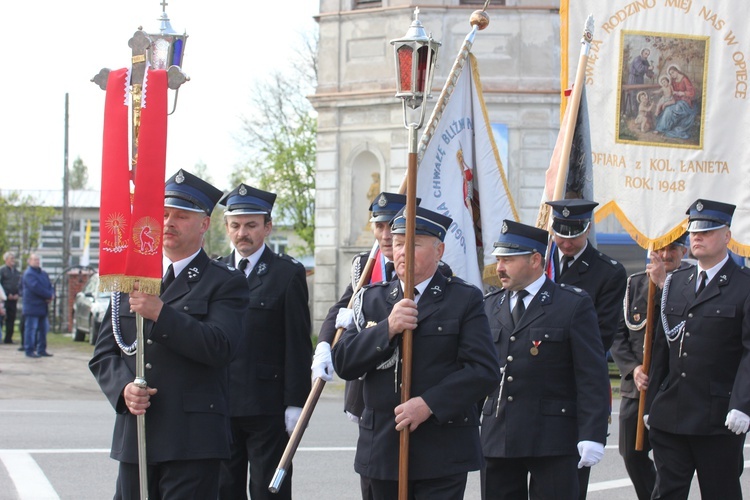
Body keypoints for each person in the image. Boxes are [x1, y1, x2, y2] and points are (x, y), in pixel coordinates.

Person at [89, 169, 249, 499]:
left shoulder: (225, 281)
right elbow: (105, 352)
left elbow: (220, 346)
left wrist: (162, 314)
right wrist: (123, 390)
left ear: (204, 224)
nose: (169, 222)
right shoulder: (131, 277)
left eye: (181, 216)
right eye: (163, 214)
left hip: (192, 440)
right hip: (137, 435)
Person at [332, 206, 501, 499]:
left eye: (414, 244)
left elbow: (483, 371)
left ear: (439, 250)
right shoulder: (371, 299)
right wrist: (387, 328)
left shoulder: (463, 299)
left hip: (441, 451)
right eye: (398, 244)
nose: (402, 252)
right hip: (382, 450)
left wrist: (428, 404)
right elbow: (344, 363)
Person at [480, 220, 610, 500]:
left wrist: (593, 432)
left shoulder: (571, 304)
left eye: (508, 260)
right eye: (499, 260)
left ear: (536, 260)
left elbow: (592, 375)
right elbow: (479, 371)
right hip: (498, 436)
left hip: (552, 437)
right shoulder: (490, 306)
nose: (499, 268)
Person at [645, 199, 750, 499]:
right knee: (666, 493)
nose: (697, 237)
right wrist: (652, 400)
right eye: (693, 231)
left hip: (717, 418)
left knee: (721, 493)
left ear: (728, 236)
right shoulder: (677, 281)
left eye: (707, 231)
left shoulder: (744, 287)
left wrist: (743, 403)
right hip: (671, 414)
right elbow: (663, 347)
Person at [216, 183, 313, 500]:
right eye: (235, 225)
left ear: (267, 227)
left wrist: (296, 401)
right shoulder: (215, 271)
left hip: (267, 407)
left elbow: (298, 342)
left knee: (267, 490)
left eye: (251, 225)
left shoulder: (287, 274)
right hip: (221, 402)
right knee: (223, 488)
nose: (242, 233)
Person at [546, 199, 626, 499]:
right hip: (534, 391)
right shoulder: (540, 263)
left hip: (573, 387)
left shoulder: (607, 273)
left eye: (574, 234)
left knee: (568, 486)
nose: (566, 242)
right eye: (560, 233)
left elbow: (601, 337)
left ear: (587, 229)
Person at [610, 232, 690, 500]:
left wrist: (664, 284)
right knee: (632, 454)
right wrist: (633, 369)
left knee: (672, 459)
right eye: (661, 249)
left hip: (671, 386)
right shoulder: (633, 285)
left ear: (684, 252)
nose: (666, 255)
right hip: (638, 387)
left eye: (673, 249)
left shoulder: (689, 284)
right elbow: (618, 335)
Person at [21, 253, 55, 358]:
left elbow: (50, 285)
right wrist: (48, 295)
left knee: (43, 329)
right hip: (32, 306)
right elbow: (36, 288)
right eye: (34, 259)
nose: (37, 261)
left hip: (42, 306)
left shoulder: (43, 273)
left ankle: (41, 349)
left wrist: (51, 295)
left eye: (38, 259)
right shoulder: (28, 274)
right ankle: (29, 350)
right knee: (31, 329)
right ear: (29, 261)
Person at [654, 65, 696, 139]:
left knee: (672, 109)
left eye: (673, 73)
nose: (672, 75)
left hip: (685, 103)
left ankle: (661, 128)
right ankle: (661, 128)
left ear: (677, 71)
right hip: (676, 101)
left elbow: (692, 93)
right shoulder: (673, 81)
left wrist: (682, 93)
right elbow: (670, 92)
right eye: (670, 74)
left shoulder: (684, 79)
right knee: (667, 109)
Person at [624, 48, 654, 118]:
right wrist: (648, 68)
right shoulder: (637, 59)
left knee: (640, 96)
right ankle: (631, 114)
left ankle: (639, 114)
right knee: (633, 95)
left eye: (648, 54)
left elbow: (647, 72)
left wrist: (651, 74)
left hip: (640, 79)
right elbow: (640, 68)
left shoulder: (645, 61)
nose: (646, 56)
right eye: (645, 54)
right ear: (642, 53)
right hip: (633, 78)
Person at [1, 251, 20, 344]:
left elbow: (19, 284)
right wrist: (6, 294)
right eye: (11, 258)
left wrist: (17, 294)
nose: (13, 260)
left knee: (11, 318)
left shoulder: (16, 272)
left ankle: (8, 338)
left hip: (14, 300)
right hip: (4, 299)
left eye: (13, 258)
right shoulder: (2, 270)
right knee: (1, 318)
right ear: (6, 260)